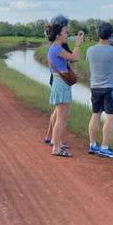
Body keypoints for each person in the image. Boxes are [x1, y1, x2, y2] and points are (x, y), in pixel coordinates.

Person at [47, 21, 84, 157]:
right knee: (61, 119)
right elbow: (75, 57)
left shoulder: (54, 47)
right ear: (58, 35)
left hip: (59, 82)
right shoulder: (57, 49)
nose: (67, 34)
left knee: (61, 117)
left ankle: (57, 143)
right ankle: (56, 147)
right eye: (64, 32)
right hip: (61, 84)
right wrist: (78, 44)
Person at [86, 23, 113, 158]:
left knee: (95, 114)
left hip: (95, 86)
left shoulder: (90, 50)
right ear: (111, 35)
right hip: (110, 88)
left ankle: (92, 144)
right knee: (110, 117)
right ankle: (105, 147)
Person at [43, 15, 70, 147]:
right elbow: (72, 58)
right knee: (60, 112)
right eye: (66, 26)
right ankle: (55, 138)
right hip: (60, 78)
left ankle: (50, 135)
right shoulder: (60, 44)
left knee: (57, 110)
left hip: (54, 76)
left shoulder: (52, 40)